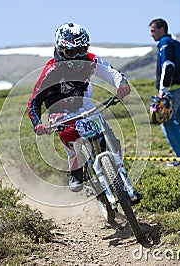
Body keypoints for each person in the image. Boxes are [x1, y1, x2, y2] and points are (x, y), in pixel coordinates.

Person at [27, 22, 142, 204]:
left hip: (84, 104)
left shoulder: (91, 60)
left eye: (82, 50)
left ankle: (123, 179)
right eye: (72, 52)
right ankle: (76, 169)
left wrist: (122, 85)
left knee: (108, 135)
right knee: (70, 135)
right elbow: (34, 102)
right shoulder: (51, 71)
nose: (79, 56)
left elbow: (112, 73)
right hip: (60, 110)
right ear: (61, 50)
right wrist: (37, 124)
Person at [149, 18, 180, 166]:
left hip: (172, 90)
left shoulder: (164, 43)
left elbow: (168, 65)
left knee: (166, 122)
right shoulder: (178, 44)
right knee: (177, 122)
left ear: (162, 29)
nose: (151, 34)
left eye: (153, 30)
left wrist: (163, 90)